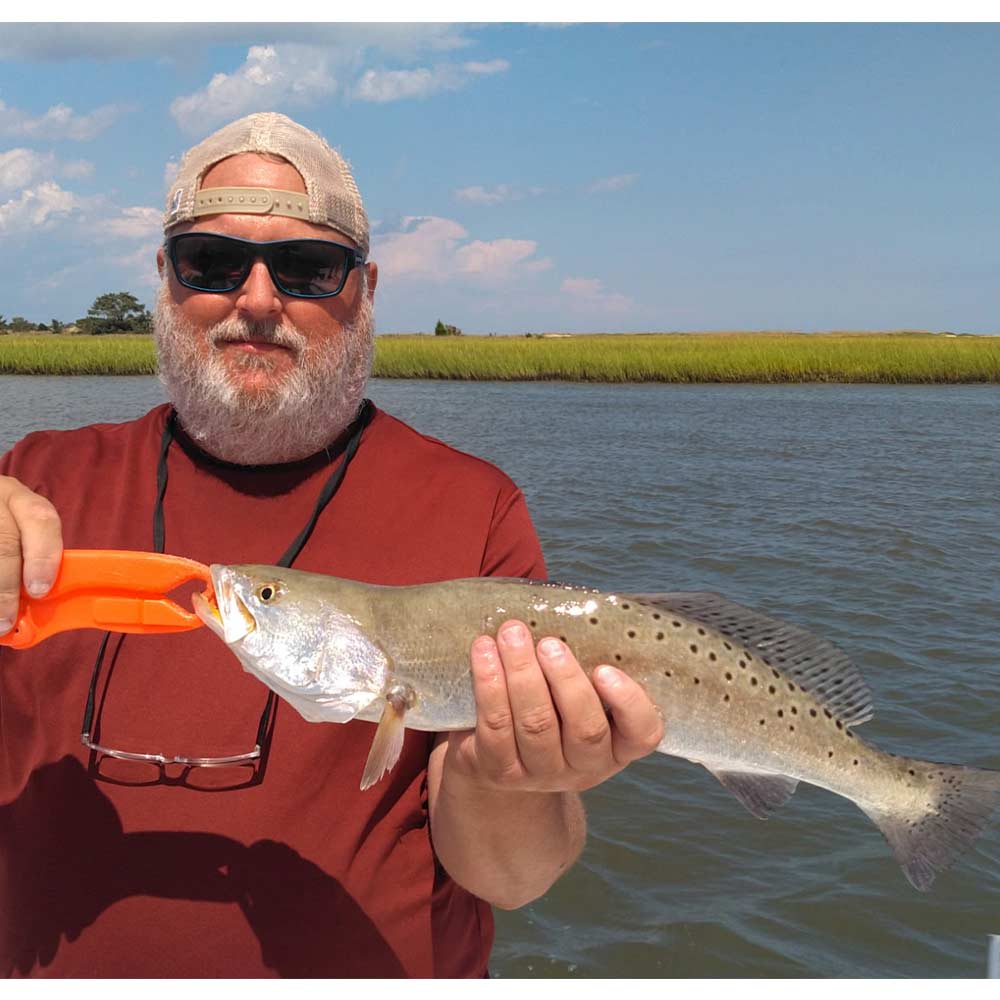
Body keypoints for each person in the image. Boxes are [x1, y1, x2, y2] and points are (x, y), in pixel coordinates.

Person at [0, 112, 664, 978]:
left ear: (366, 287)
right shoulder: (33, 477)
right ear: (165, 278)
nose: (259, 300)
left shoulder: (476, 508)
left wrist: (512, 775)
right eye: (213, 262)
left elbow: (513, 877)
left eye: (310, 268)